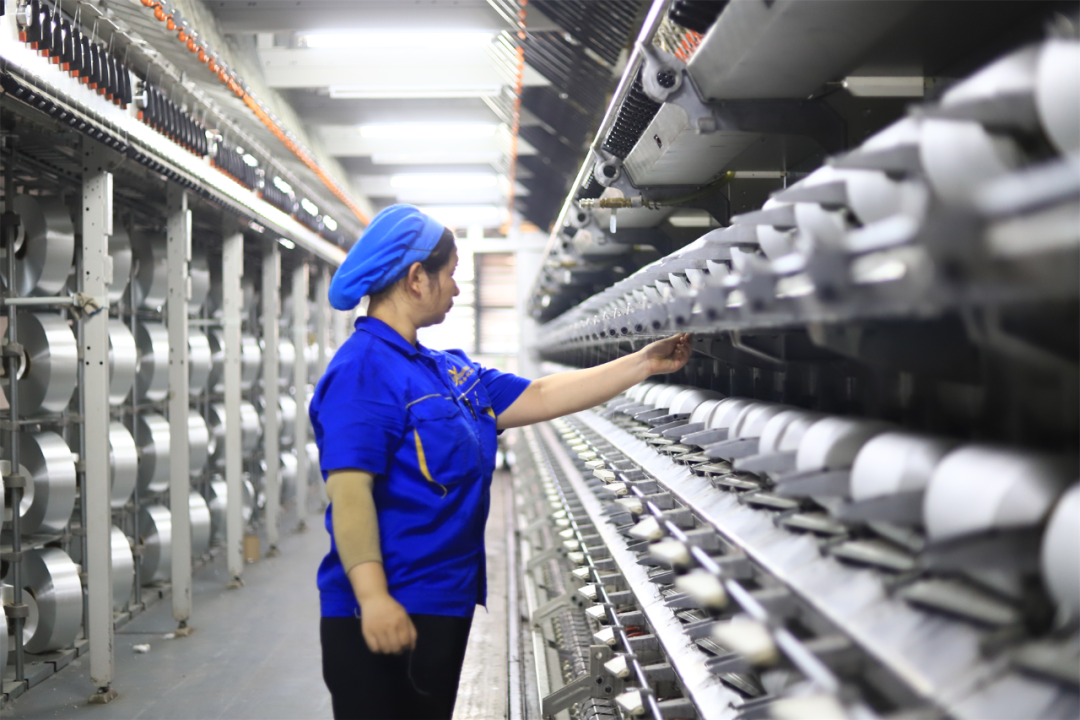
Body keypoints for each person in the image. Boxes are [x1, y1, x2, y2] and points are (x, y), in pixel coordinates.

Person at [310, 204, 691, 720]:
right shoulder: (363, 370)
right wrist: (373, 596)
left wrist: (644, 362)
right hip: (386, 606)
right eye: (450, 274)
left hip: (443, 601)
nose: (456, 288)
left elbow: (540, 394)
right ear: (417, 278)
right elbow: (349, 491)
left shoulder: (445, 371)